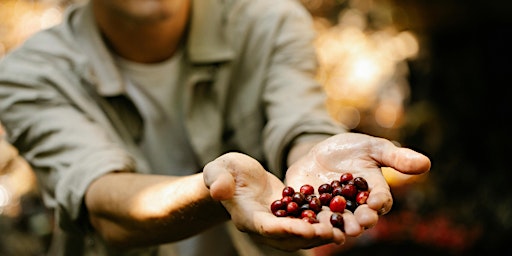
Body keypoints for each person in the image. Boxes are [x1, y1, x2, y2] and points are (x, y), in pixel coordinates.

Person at [0, 0, 431, 255]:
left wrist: (321, 155)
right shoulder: (27, 73)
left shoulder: (270, 21)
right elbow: (102, 203)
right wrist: (217, 190)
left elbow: (299, 121)